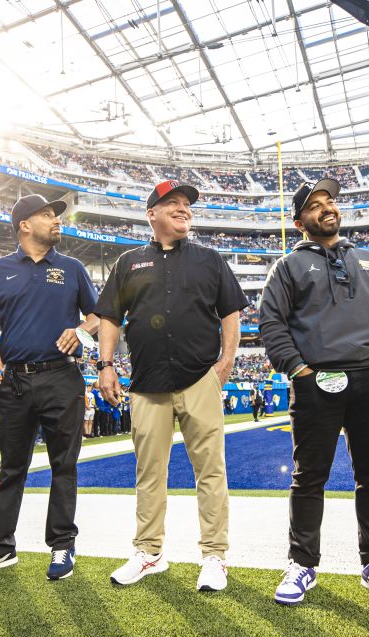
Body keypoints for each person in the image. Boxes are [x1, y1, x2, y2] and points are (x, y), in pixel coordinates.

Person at [259, 178, 369, 607]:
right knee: (309, 476)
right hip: (317, 383)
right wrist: (299, 370)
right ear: (299, 221)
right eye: (314, 205)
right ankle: (302, 562)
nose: (326, 208)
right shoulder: (288, 266)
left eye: (329, 201)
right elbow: (271, 322)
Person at [95, 179, 248, 591]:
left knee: (210, 471)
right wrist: (105, 364)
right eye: (173, 203)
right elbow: (109, 317)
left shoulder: (209, 259)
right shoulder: (128, 262)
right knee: (149, 473)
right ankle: (149, 553)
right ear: (152, 214)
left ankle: (214, 556)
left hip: (199, 377)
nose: (184, 209)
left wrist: (227, 360)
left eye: (187, 205)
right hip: (146, 383)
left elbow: (231, 311)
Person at [0, 194, 99, 583]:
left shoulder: (71, 268)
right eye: (48, 215)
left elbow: (98, 315)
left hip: (62, 377)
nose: (57, 221)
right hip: (12, 380)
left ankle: (62, 544)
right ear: (24, 225)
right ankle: (0, 547)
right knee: (11, 467)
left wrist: (81, 331)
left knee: (63, 465)